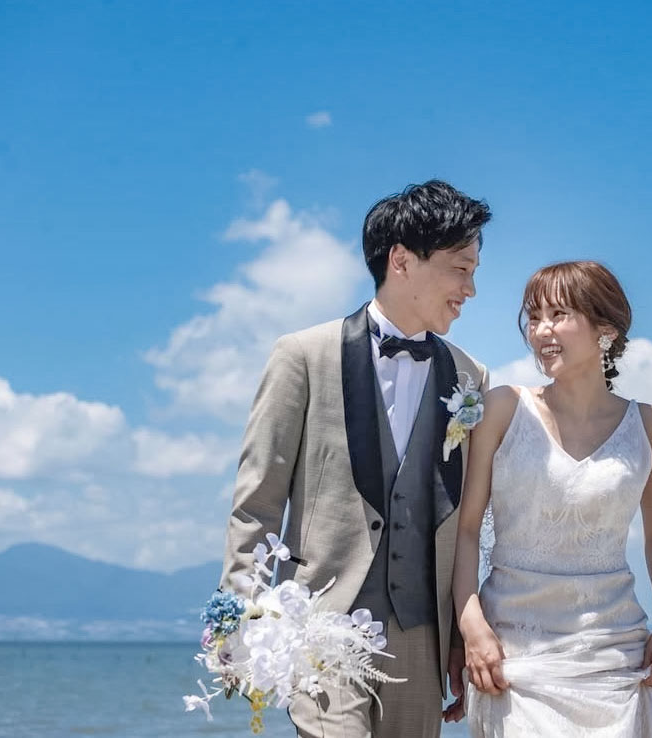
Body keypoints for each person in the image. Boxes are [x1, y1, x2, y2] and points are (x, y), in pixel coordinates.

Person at [220, 180, 491, 737]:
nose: (470, 289)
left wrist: (458, 638)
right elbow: (258, 501)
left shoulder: (471, 376)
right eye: (460, 270)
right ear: (402, 260)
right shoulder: (303, 355)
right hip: (321, 622)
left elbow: (464, 520)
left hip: (421, 636)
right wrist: (242, 614)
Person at [453, 260, 652, 737]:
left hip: (615, 659)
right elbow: (466, 528)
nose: (541, 331)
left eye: (558, 315)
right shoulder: (503, 409)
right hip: (515, 656)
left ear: (605, 329)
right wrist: (471, 625)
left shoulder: (651, 427)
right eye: (534, 317)